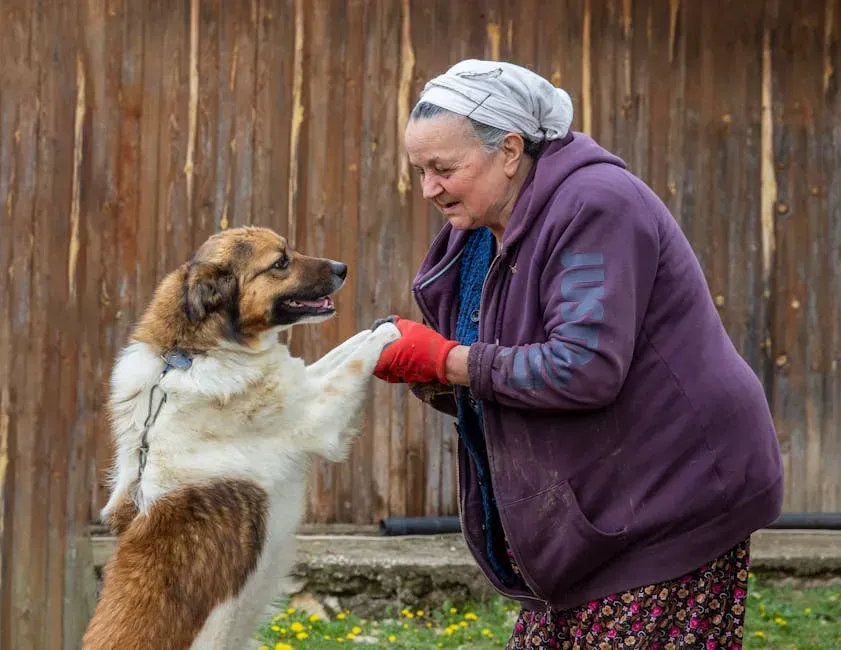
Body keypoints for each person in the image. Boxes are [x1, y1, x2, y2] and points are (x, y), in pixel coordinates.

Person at [371, 59, 783, 649]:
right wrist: (435, 374)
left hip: (671, 495)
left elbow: (583, 367)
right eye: (420, 170)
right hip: (604, 507)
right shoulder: (485, 227)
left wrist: (447, 361)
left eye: (443, 168)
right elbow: (506, 363)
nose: (428, 188)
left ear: (510, 150)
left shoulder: (595, 205)